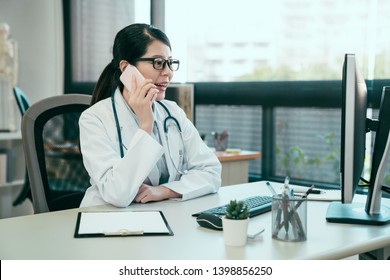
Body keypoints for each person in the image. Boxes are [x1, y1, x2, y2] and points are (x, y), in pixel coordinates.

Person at [79, 23, 221, 207]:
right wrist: (146, 125)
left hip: (164, 213)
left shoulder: (172, 112)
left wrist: (164, 191)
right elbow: (117, 194)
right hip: (107, 220)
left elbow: (211, 171)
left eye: (170, 63)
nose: (168, 73)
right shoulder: (94, 119)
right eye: (158, 63)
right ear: (126, 68)